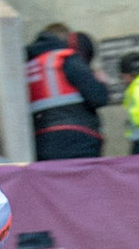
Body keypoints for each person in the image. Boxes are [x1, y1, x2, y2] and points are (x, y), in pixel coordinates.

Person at [25, 23, 111, 159]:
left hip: (41, 142)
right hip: (79, 138)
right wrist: (102, 83)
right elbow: (99, 97)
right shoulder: (64, 58)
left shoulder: (29, 65)